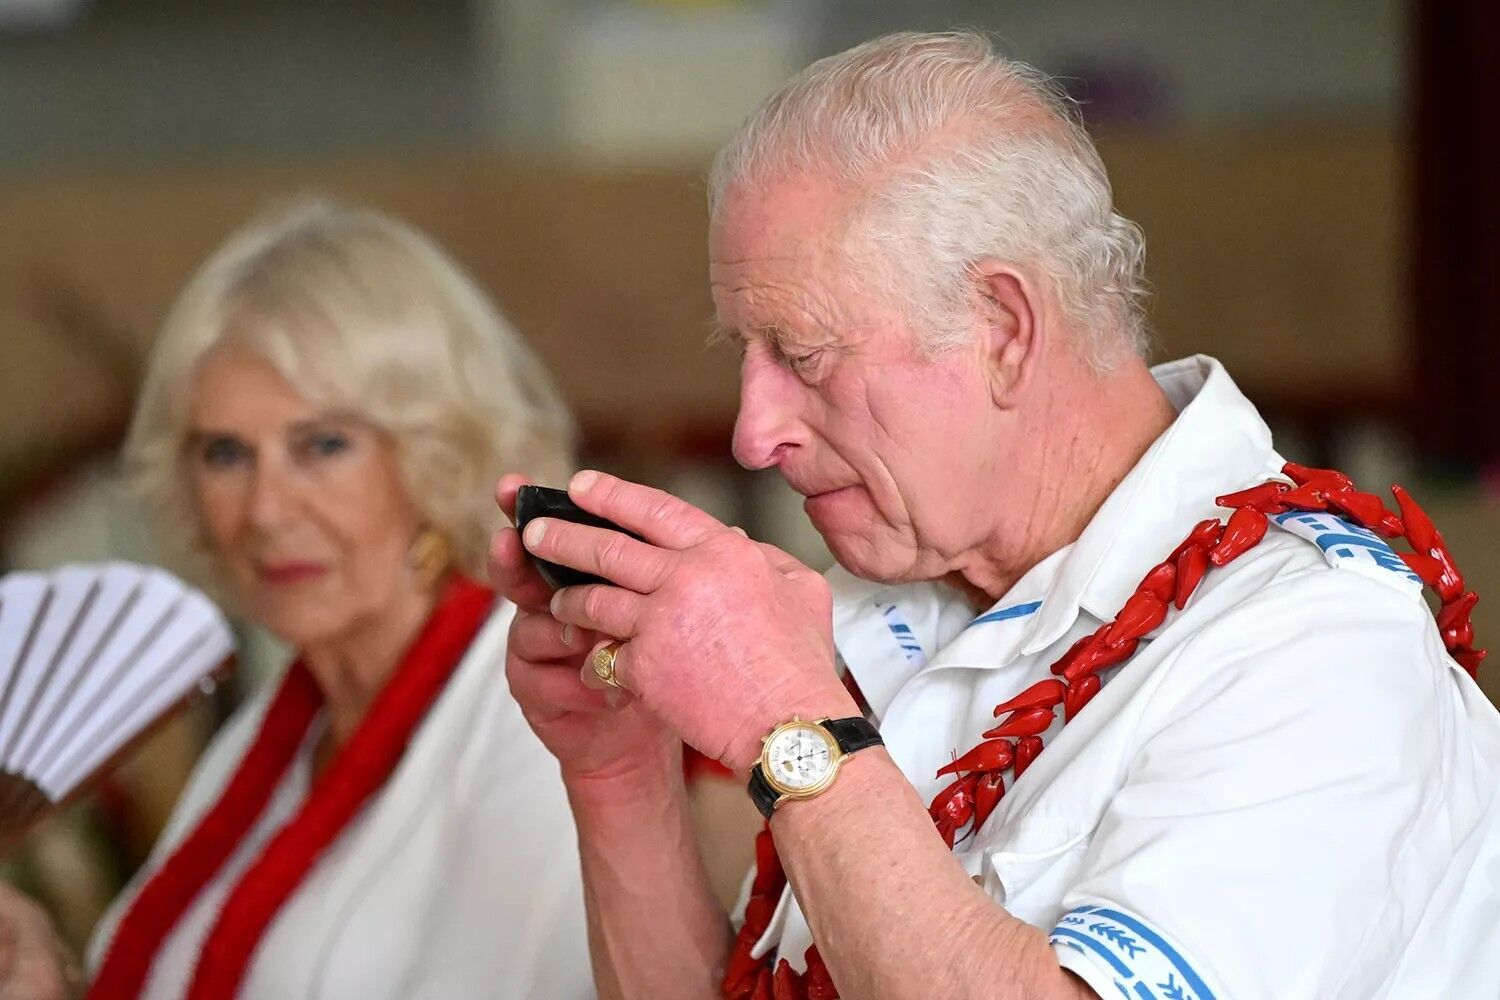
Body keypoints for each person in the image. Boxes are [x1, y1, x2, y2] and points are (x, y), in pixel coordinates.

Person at [491, 31, 1500, 1000]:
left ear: (1005, 331)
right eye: (744, 357)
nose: (754, 435)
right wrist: (620, 773)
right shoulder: (890, 600)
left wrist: (788, 723)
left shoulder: (1315, 643)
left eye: (802, 356)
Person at [0, 200, 593, 999]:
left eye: (322, 445)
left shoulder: (536, 714)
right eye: (225, 453)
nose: (267, 510)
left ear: (436, 448)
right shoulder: (262, 743)